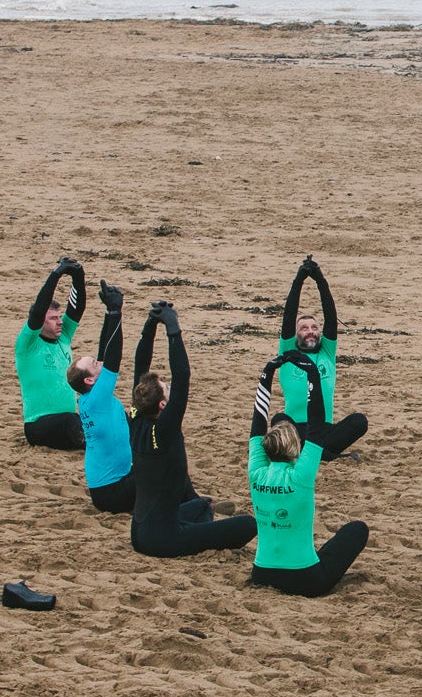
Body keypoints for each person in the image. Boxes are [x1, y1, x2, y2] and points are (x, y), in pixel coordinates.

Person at [128, 302, 257, 559]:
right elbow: (182, 376)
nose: (169, 388)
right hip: (163, 540)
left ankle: (200, 525)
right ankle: (197, 534)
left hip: (139, 533)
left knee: (201, 506)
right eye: (166, 390)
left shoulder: (136, 419)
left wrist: (150, 327)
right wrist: (173, 329)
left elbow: (139, 368)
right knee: (248, 525)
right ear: (164, 405)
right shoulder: (165, 427)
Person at [247, 350, 369, 597]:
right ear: (296, 448)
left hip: (261, 573)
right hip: (305, 578)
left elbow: (257, 424)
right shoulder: (301, 475)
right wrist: (312, 372)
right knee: (357, 529)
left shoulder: (256, 472)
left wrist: (267, 374)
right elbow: (316, 424)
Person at [278, 255, 367, 461]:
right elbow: (289, 315)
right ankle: (330, 457)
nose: (310, 331)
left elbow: (330, 315)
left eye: (314, 327)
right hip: (295, 430)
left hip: (325, 431)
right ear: (295, 334)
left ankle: (315, 454)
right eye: (304, 328)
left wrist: (320, 280)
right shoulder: (288, 352)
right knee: (279, 420)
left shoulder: (326, 353)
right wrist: (299, 280)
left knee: (359, 421)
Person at [66, 281, 135, 512]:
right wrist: (116, 313)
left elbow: (105, 352)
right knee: (162, 472)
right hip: (112, 491)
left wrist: (108, 313)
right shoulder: (97, 400)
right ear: (89, 380)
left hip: (111, 486)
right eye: (94, 365)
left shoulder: (91, 396)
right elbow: (113, 358)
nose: (100, 362)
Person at [16, 257, 87, 449]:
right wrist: (56, 274)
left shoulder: (63, 338)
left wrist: (78, 276)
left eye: (59, 317)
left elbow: (76, 308)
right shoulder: (28, 344)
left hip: (67, 425)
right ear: (40, 323)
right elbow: (38, 311)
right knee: (72, 422)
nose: (60, 321)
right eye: (53, 318)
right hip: (38, 425)